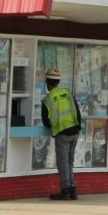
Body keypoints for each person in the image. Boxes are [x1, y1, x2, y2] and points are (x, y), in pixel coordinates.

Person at [41, 68, 82, 200]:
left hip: (62, 133)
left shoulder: (47, 100)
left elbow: (46, 123)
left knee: (63, 162)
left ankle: (65, 190)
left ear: (47, 82)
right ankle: (72, 189)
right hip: (75, 131)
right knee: (70, 161)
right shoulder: (67, 93)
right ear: (58, 82)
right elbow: (77, 112)